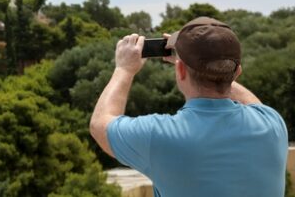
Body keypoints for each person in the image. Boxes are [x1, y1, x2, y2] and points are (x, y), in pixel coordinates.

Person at [90, 17, 288, 196]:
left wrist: (124, 68)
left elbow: (100, 125)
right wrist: (212, 71)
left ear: (180, 70)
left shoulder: (159, 136)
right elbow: (253, 103)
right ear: (237, 73)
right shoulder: (272, 124)